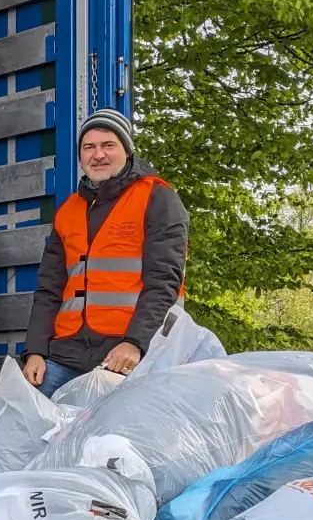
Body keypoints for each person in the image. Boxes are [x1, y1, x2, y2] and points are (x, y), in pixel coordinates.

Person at [23, 107, 189, 396]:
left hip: (127, 356)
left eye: (107, 145)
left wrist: (136, 343)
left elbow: (164, 282)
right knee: (24, 424)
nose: (97, 154)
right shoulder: (69, 210)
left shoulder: (157, 197)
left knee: (113, 440)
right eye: (89, 147)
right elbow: (49, 289)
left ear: (126, 150)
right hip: (65, 355)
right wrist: (35, 350)